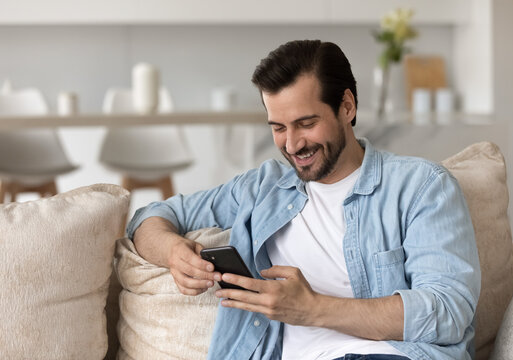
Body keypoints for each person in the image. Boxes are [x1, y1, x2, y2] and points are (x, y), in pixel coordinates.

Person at [128, 40, 481, 360]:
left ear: (346, 106)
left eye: (306, 123)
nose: (293, 145)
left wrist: (312, 309)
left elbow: (448, 310)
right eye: (278, 128)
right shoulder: (261, 189)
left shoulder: (421, 187)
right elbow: (151, 216)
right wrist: (173, 252)